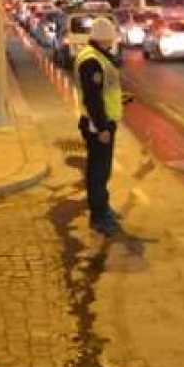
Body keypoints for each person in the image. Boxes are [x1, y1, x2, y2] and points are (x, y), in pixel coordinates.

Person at [74, 18, 124, 237]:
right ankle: (99, 216)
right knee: (98, 171)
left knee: (102, 171)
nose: (113, 42)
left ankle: (103, 208)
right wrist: (102, 127)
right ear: (104, 37)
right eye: (111, 37)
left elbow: (104, 90)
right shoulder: (91, 61)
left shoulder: (98, 56)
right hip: (98, 125)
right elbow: (93, 98)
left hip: (102, 122)